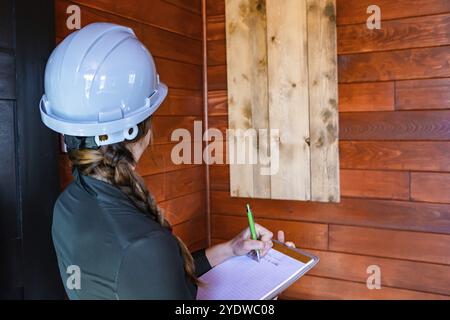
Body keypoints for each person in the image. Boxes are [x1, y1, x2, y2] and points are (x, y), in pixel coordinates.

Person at [39, 22, 295, 300]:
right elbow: (150, 266)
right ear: (138, 129)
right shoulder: (144, 244)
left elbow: (151, 276)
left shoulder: (67, 206)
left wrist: (230, 249)